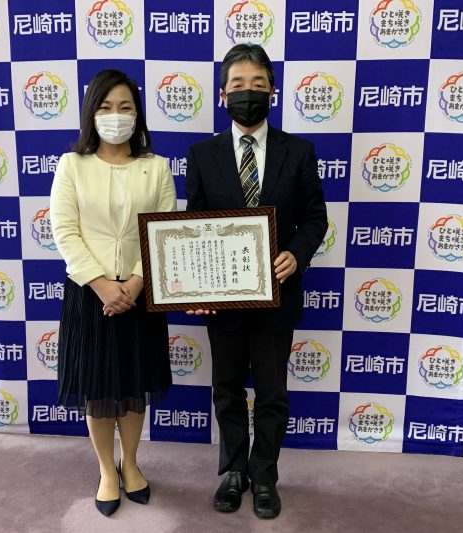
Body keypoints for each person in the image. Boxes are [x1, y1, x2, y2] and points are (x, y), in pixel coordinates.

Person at [184, 44, 328, 519]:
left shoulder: (299, 152)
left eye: (259, 85)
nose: (249, 93)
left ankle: (264, 475)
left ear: (273, 92)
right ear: (222, 95)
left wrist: (297, 255)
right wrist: (196, 287)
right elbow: (194, 227)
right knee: (226, 388)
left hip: (277, 295)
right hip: (223, 297)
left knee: (271, 392)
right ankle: (233, 472)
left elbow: (315, 218)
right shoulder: (201, 155)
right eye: (239, 85)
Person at [50, 69, 177, 517]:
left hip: (140, 294)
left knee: (135, 385)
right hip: (90, 294)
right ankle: (107, 469)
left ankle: (131, 462)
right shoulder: (72, 165)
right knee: (99, 390)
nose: (115, 115)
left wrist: (136, 283)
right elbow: (64, 231)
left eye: (125, 107)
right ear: (91, 113)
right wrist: (102, 285)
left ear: (137, 114)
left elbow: (163, 230)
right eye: (105, 107)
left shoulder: (156, 167)